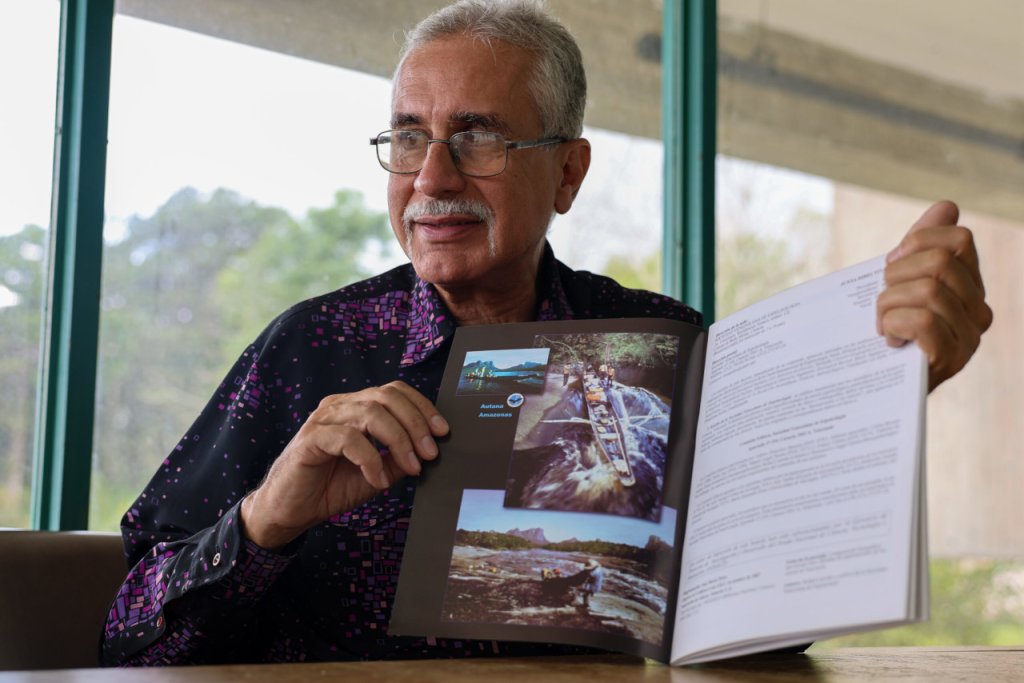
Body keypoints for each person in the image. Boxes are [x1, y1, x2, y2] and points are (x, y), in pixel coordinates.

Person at [100, 0, 992, 667]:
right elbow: (125, 635)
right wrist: (267, 518)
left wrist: (883, 385)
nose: (431, 178)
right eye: (409, 139)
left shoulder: (666, 346)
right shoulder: (308, 348)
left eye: (477, 137)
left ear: (569, 171)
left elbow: (760, 625)